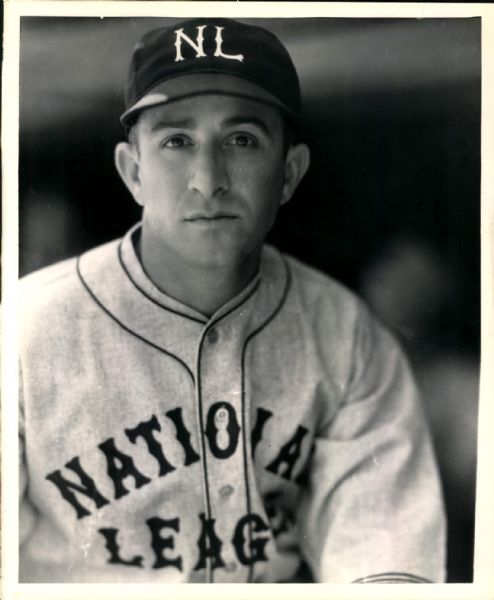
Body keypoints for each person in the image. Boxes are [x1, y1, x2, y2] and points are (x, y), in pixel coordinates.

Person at [19, 17, 446, 584]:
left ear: (289, 173)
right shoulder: (24, 333)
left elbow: (388, 565)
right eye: (176, 141)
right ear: (133, 171)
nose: (208, 178)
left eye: (241, 140)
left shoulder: (345, 333)